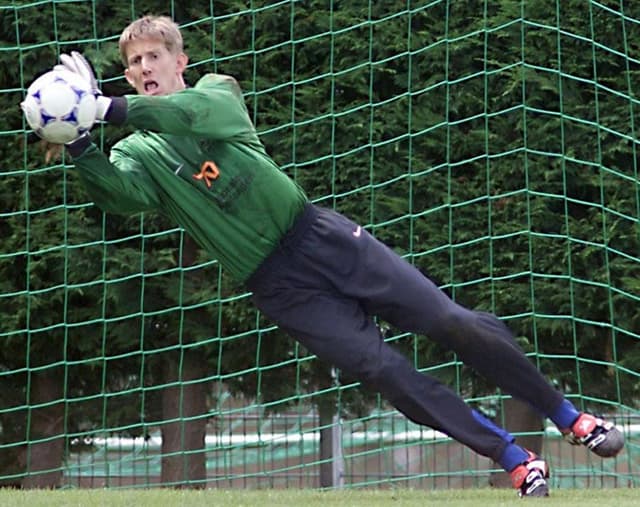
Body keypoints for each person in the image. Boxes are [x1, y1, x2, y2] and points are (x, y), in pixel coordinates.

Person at [48, 15, 623, 497]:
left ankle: (571, 417)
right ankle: (513, 458)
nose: (144, 68)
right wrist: (78, 139)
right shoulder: (141, 152)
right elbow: (117, 194)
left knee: (450, 321)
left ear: (180, 60)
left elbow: (188, 117)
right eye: (134, 63)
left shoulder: (216, 93)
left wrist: (105, 108)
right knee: (383, 370)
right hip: (279, 286)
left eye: (154, 56)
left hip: (321, 238)